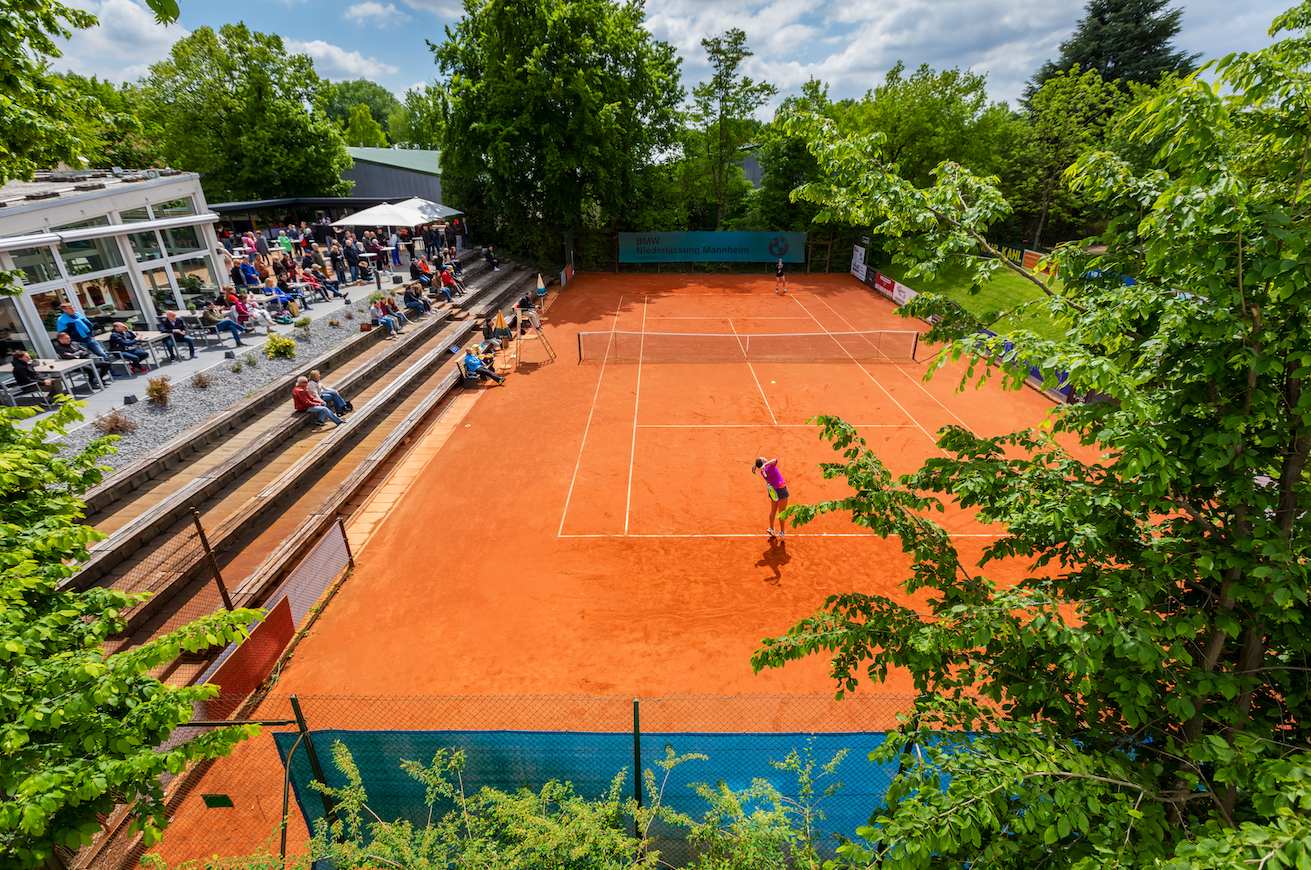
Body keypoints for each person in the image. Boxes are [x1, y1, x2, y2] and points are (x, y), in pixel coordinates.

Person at [752, 457, 790, 538]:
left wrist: (764, 465)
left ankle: (771, 528)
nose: (765, 458)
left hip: (773, 492)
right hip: (781, 489)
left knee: (773, 510)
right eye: (764, 459)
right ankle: (782, 531)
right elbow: (776, 460)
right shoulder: (769, 467)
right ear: (763, 462)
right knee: (782, 512)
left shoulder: (762, 471)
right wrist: (766, 464)